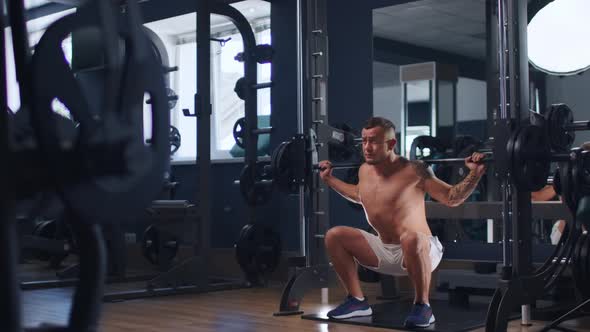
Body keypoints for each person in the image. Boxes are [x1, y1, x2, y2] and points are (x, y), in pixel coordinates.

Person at [320, 117, 486, 328]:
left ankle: (423, 306)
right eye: (363, 141)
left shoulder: (415, 170)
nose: (367, 148)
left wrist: (475, 173)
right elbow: (360, 194)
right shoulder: (364, 170)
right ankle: (357, 301)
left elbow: (451, 197)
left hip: (421, 249)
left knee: (411, 238)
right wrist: (330, 180)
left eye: (373, 141)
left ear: (391, 144)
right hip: (385, 251)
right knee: (335, 236)